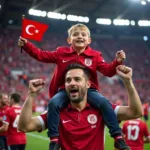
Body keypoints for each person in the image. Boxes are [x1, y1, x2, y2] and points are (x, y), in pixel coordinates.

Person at [18, 23, 126, 149]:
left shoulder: (95, 55)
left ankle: (117, 137)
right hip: (65, 90)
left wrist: (117, 62)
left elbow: (108, 71)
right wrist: (26, 45)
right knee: (53, 103)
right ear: (69, 40)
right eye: (75, 34)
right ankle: (54, 139)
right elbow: (41, 55)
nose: (79, 36)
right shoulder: (61, 52)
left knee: (104, 102)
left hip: (89, 90)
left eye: (83, 34)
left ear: (89, 40)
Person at [18, 63, 143, 150]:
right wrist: (31, 94)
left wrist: (128, 82)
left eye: (77, 79)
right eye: (68, 80)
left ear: (88, 84)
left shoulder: (102, 108)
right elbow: (24, 127)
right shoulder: (56, 110)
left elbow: (135, 112)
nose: (72, 83)